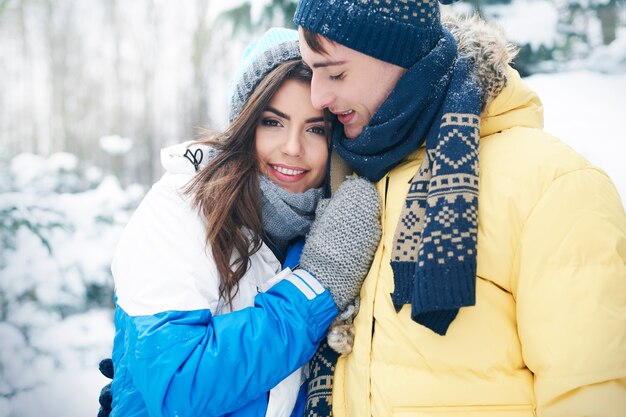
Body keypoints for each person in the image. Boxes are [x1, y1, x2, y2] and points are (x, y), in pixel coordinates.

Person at [292, 1, 626, 416]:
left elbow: (590, 394)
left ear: (403, 57)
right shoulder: (354, 183)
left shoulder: (553, 186)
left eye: (337, 72)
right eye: (312, 72)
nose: (318, 96)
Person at [101, 27, 381, 417]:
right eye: (273, 122)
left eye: (315, 128)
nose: (293, 147)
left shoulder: (324, 227)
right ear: (244, 126)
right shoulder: (180, 209)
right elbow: (182, 384)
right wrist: (316, 286)